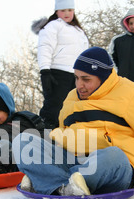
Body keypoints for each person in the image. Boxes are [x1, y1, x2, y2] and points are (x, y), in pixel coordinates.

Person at [12, 47, 134, 196]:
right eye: (77, 78)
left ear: (103, 77)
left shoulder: (133, 96)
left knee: (112, 155)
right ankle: (64, 185)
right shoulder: (72, 97)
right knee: (24, 141)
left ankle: (50, 181)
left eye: (86, 79)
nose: (79, 85)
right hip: (74, 162)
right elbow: (63, 132)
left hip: (114, 168)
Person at [32, 0, 89, 130]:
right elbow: (45, 48)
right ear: (57, 11)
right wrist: (45, 71)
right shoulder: (53, 26)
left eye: (70, 10)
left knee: (73, 106)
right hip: (58, 72)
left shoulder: (78, 30)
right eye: (63, 10)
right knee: (55, 105)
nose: (67, 13)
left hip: (76, 75)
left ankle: (69, 133)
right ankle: (47, 130)